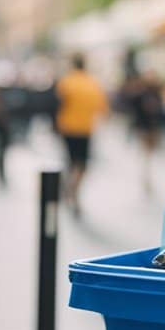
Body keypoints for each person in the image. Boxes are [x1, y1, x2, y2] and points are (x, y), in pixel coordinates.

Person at [55, 54, 108, 215]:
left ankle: (68, 189)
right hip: (85, 129)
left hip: (66, 127)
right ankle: (73, 191)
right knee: (82, 164)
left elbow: (58, 103)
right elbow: (102, 108)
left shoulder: (66, 82)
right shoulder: (92, 83)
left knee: (71, 162)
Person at [124, 70, 165, 194]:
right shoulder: (140, 94)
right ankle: (146, 175)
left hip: (153, 127)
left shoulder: (156, 93)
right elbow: (133, 110)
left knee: (150, 152)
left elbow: (161, 110)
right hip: (144, 127)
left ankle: (148, 174)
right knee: (147, 152)